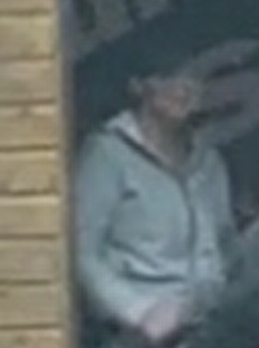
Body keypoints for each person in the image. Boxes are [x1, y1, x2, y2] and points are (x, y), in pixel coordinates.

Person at [74, 45, 237, 348]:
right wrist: (139, 313)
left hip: (209, 326)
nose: (184, 88)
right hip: (136, 335)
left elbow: (225, 243)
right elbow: (82, 253)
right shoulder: (107, 154)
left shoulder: (208, 158)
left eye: (193, 78)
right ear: (138, 87)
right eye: (170, 78)